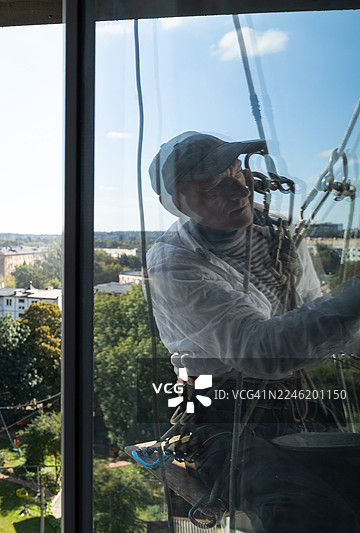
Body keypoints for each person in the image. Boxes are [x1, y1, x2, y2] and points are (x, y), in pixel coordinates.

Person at [147, 131, 360, 532]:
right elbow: (259, 352)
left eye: (237, 171)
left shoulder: (277, 233)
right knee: (305, 510)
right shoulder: (174, 262)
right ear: (181, 203)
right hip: (219, 415)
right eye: (215, 184)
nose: (239, 188)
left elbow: (313, 310)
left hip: (296, 400)